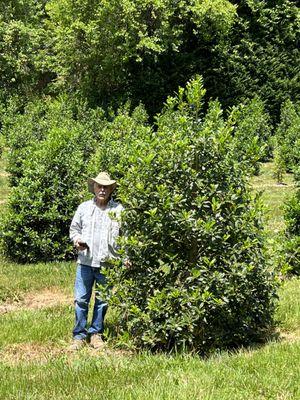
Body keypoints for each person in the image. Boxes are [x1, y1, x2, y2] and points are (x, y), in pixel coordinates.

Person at [69, 171, 123, 350]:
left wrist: (126, 256)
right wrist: (77, 241)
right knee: (81, 299)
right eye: (99, 186)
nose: (102, 189)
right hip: (85, 262)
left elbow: (126, 236)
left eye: (106, 187)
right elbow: (74, 229)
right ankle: (79, 336)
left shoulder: (118, 210)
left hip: (107, 263)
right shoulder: (84, 208)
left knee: (103, 300)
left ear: (110, 190)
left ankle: (96, 334)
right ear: (93, 187)